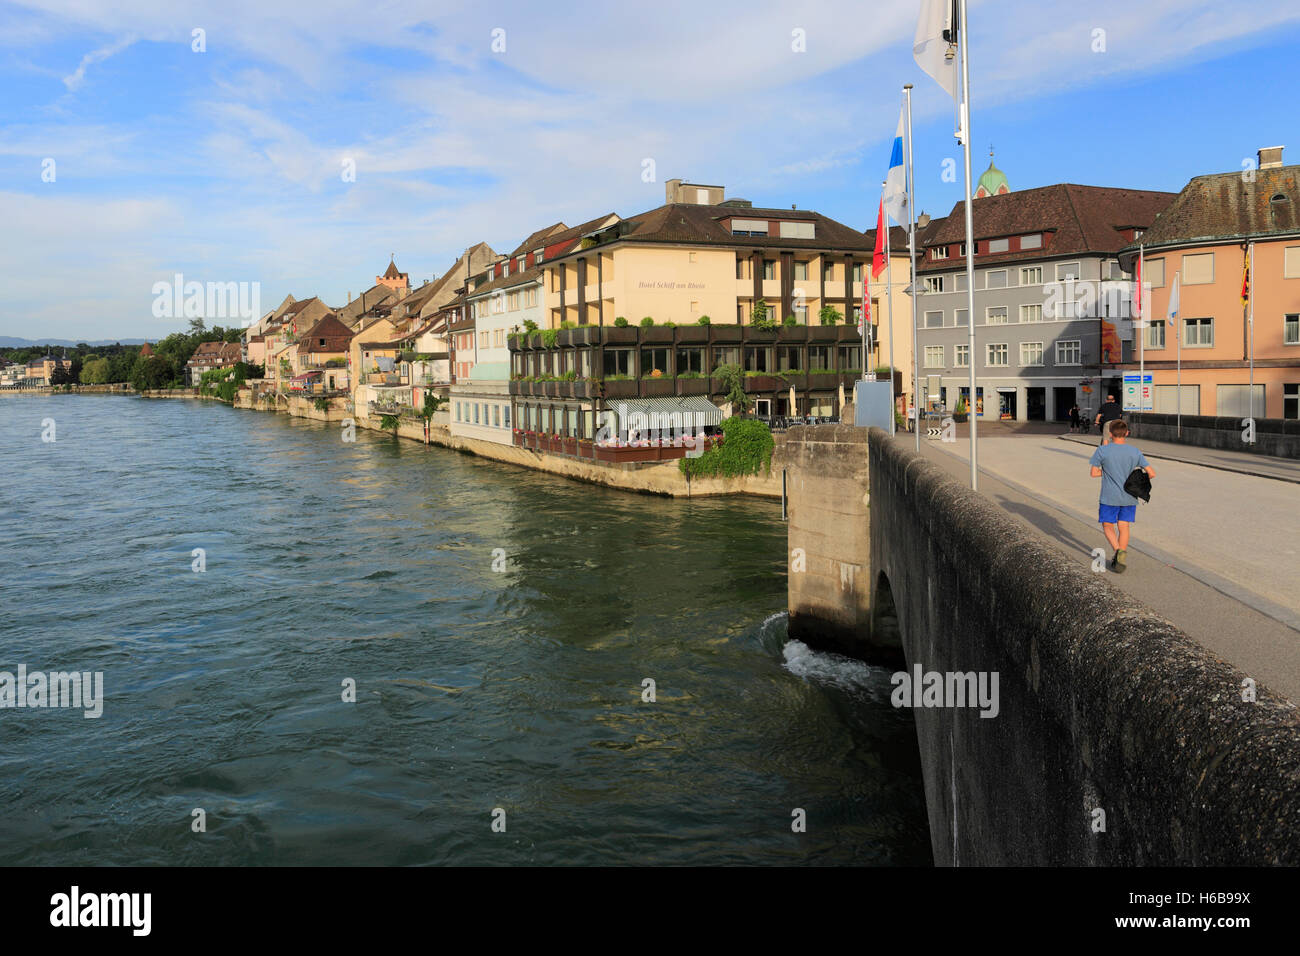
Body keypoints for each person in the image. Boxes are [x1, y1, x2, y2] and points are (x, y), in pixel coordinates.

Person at [1088, 421, 1155, 573]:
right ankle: (1120, 556)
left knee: (1107, 525)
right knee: (1124, 527)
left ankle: (1119, 552)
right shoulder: (1135, 452)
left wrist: (1107, 473)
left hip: (1109, 497)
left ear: (1110, 434)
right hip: (1129, 496)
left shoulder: (1102, 451)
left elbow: (1093, 473)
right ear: (1127, 433)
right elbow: (1152, 473)